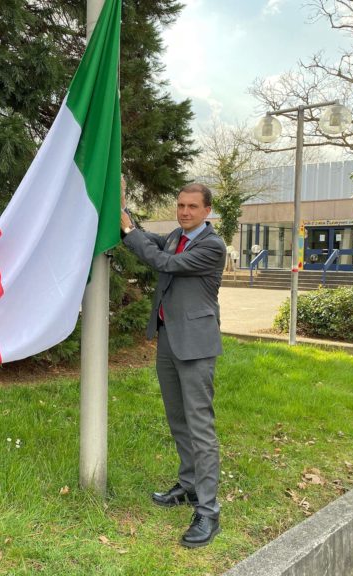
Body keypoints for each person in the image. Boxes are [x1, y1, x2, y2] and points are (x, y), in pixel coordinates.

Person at [120, 181, 226, 548]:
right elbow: (147, 237)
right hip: (168, 340)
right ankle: (189, 486)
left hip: (196, 345)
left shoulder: (211, 246)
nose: (184, 212)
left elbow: (163, 262)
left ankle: (209, 512)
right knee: (177, 418)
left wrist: (131, 232)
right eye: (180, 205)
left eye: (192, 207)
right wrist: (123, 214)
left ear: (207, 211)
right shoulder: (176, 237)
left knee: (200, 426)